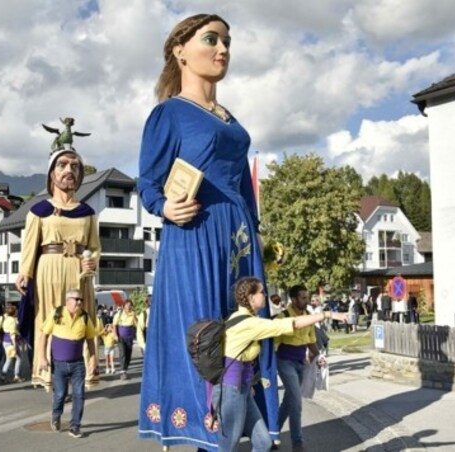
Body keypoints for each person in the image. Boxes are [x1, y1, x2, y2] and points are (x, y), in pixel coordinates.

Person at [137, 13, 278, 450]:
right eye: (211, 39)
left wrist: (257, 235)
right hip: (196, 234)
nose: (222, 50)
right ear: (179, 50)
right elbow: (147, 181)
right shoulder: (170, 114)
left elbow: (242, 185)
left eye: (227, 42)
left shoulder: (230, 119)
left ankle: (249, 434)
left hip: (238, 239)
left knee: (246, 338)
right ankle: (209, 436)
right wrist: (165, 207)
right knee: (210, 342)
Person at [216, 277, 335, 451]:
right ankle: (297, 442)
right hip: (231, 389)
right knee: (228, 446)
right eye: (262, 292)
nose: (265, 295)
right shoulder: (249, 323)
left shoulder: (243, 318)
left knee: (263, 442)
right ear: (251, 298)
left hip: (241, 388)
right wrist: (326, 314)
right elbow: (291, 324)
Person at [16, 148, 100, 391]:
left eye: (74, 167)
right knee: (49, 319)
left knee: (81, 318)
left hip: (79, 271)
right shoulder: (38, 211)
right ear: (52, 174)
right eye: (62, 165)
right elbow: (30, 246)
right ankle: (47, 371)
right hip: (48, 269)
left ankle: (85, 370)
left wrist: (91, 260)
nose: (69, 171)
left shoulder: (88, 213)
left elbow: (94, 247)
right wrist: (25, 272)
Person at [276, 285, 347, 451]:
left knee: (289, 401)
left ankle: (273, 433)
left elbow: (310, 339)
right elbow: (274, 345)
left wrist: (318, 357)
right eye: (303, 298)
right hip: (285, 362)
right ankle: (298, 443)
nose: (307, 301)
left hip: (301, 362)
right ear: (293, 300)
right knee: (296, 401)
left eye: (307, 297)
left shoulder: (308, 315)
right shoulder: (283, 316)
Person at [39, 289, 96, 438]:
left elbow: (90, 339)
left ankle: (75, 426)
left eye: (81, 300)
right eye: (76, 299)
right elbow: (44, 335)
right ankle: (56, 416)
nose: (79, 302)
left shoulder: (84, 317)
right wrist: (42, 358)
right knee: (60, 394)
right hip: (59, 364)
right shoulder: (57, 313)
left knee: (79, 395)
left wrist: (93, 359)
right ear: (68, 301)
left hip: (78, 364)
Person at [0, 304, 23, 383]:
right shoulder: (13, 320)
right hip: (11, 342)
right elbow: (12, 334)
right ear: (14, 312)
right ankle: (16, 376)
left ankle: (3, 376)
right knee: (18, 358)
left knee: (8, 359)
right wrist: (15, 345)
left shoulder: (5, 319)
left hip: (5, 340)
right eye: (16, 311)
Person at [113, 300, 138, 380]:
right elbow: (114, 325)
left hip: (129, 337)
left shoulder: (133, 314)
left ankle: (125, 368)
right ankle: (123, 372)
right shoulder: (119, 314)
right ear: (123, 306)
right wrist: (115, 335)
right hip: (121, 337)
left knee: (128, 355)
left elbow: (136, 324)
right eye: (127, 305)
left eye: (130, 305)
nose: (128, 306)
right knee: (122, 353)